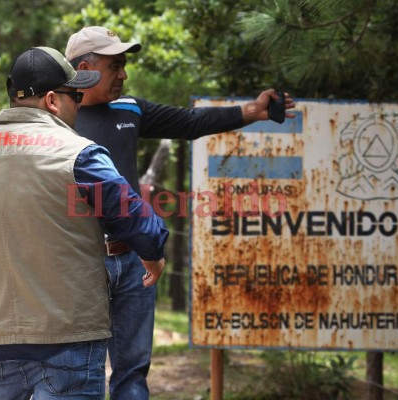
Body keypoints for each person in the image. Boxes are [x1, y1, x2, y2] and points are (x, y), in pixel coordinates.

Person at [64, 26, 297, 399]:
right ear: (85, 68)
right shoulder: (56, 119)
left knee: (133, 374)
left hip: (135, 260)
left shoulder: (130, 109)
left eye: (124, 65)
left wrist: (253, 111)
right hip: (78, 263)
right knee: (79, 373)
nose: (124, 74)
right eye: (116, 66)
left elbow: (190, 123)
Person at [0, 46, 168, 400]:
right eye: (76, 95)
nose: (79, 104)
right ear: (54, 101)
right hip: (70, 340)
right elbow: (136, 220)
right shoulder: (80, 155)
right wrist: (153, 252)